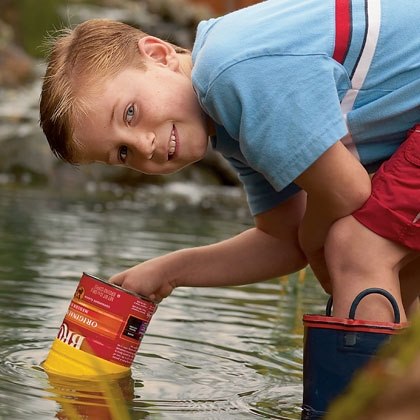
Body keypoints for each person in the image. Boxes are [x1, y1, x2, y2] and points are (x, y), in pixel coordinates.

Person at [39, 0, 420, 322]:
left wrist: (315, 240)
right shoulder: (227, 122)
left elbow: (347, 191)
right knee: (394, 273)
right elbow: (282, 239)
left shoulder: (229, 73)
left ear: (158, 55)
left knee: (357, 249)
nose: (144, 145)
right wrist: (168, 271)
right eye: (122, 153)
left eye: (130, 114)